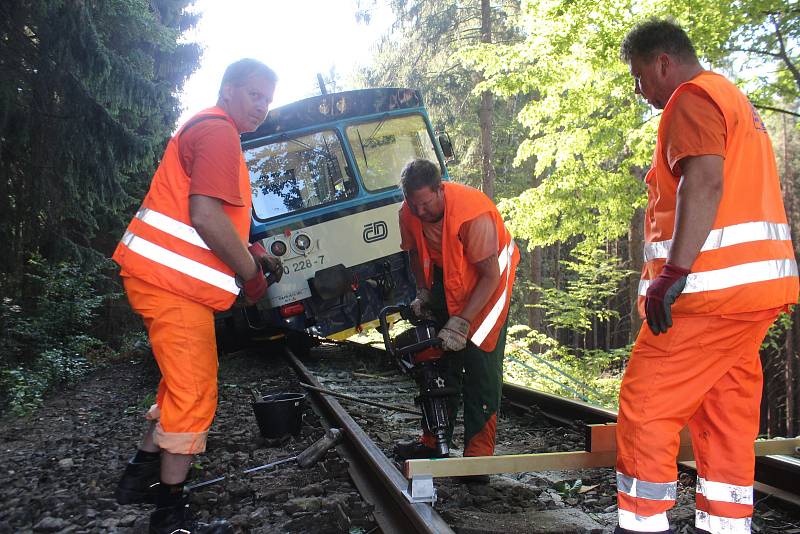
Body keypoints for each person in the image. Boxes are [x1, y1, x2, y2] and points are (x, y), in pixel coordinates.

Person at [616, 19, 798, 534]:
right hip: (752, 296)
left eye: (638, 77)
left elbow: (705, 182)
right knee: (724, 417)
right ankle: (725, 526)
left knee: (645, 406)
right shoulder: (731, 98)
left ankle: (641, 523)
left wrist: (673, 272)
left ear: (662, 62)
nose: (639, 90)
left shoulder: (690, 100)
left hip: (707, 296)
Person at [111, 58, 283, 534]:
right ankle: (168, 511)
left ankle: (136, 478)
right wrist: (251, 275)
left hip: (166, 282)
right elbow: (205, 217)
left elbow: (207, 216)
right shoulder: (219, 132)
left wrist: (248, 248)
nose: (262, 106)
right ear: (228, 90)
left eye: (267, 99)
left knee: (177, 384)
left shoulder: (210, 128)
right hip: (172, 285)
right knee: (194, 391)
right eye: (254, 94)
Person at [393, 159, 520, 482]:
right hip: (446, 278)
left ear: (440, 189)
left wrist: (462, 321)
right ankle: (434, 442)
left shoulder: (471, 214)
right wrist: (423, 293)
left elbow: (489, 275)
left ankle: (477, 460)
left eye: (426, 203)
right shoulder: (408, 213)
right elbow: (413, 254)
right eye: (413, 204)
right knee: (435, 361)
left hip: (489, 284)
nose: (420, 212)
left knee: (480, 367)